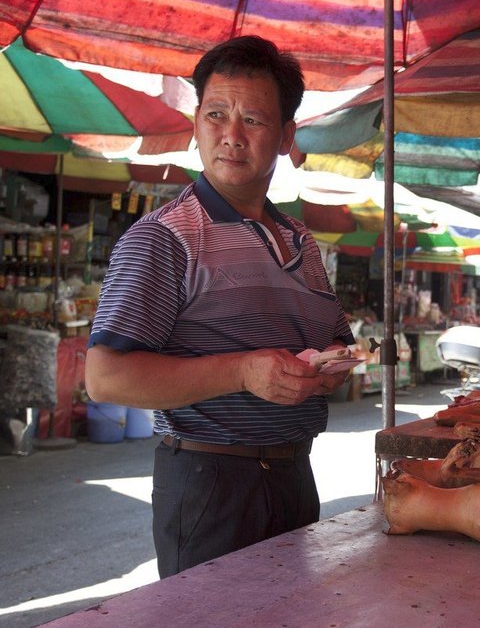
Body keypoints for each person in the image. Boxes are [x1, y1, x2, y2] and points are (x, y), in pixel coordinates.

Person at [85, 36, 354, 578]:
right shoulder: (165, 237)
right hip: (211, 483)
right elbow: (106, 378)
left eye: (252, 120)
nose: (231, 136)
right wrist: (242, 372)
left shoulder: (299, 238)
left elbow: (334, 342)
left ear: (284, 137)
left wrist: (329, 365)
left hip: (294, 473)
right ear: (196, 124)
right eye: (215, 114)